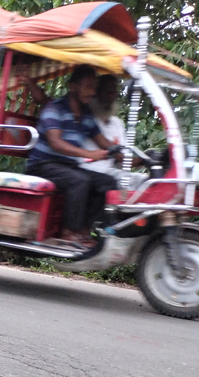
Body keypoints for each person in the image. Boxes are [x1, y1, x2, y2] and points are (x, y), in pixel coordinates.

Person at [26, 65, 118, 248]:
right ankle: (69, 231)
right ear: (73, 86)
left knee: (108, 182)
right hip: (43, 165)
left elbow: (104, 142)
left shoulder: (86, 115)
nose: (92, 92)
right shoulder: (55, 108)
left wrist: (125, 153)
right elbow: (56, 142)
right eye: (88, 86)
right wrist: (89, 154)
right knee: (80, 181)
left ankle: (84, 230)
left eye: (94, 87)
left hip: (66, 167)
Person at [81, 75, 144, 187]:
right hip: (89, 170)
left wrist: (144, 160)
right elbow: (117, 155)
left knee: (145, 181)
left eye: (114, 91)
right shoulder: (87, 118)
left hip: (110, 172)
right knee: (133, 184)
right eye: (107, 91)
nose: (111, 95)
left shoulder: (117, 123)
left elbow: (123, 160)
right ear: (96, 92)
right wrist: (141, 161)